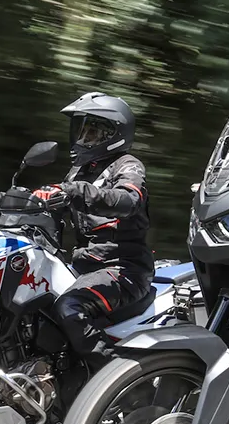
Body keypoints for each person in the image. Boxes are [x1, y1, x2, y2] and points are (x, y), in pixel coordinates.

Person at [32, 92, 153, 371]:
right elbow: (52, 213)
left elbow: (128, 200)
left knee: (70, 309)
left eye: (93, 131)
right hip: (84, 268)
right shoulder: (78, 172)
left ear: (114, 134)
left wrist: (74, 192)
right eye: (83, 130)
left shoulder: (128, 165)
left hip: (123, 268)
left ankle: (115, 384)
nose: (84, 137)